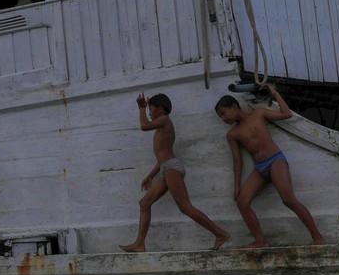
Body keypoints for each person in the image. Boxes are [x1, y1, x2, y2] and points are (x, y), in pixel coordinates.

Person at [214, 85, 324, 248]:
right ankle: (260, 240)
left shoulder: (258, 114)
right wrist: (236, 186)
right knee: (242, 202)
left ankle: (317, 237)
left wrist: (274, 93)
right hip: (259, 168)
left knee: (288, 199)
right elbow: (237, 161)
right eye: (220, 117)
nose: (224, 119)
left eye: (224, 113)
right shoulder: (232, 134)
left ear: (234, 107)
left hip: (275, 161)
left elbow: (286, 114)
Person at [120, 93, 230, 253]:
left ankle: (220, 233)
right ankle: (139, 244)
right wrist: (150, 176)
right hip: (167, 168)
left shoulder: (165, 120)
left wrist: (141, 107)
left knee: (185, 207)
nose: (149, 113)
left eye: (151, 109)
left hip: (172, 168)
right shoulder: (161, 127)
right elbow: (161, 158)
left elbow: (143, 126)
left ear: (160, 109)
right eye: (148, 110)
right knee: (144, 203)